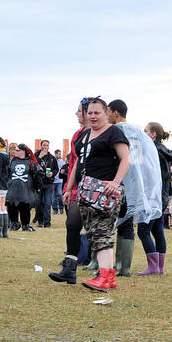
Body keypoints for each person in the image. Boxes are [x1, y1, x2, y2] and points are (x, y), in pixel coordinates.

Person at [63, 97, 129, 292]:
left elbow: (126, 159)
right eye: (89, 113)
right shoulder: (84, 136)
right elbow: (77, 162)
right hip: (87, 193)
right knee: (95, 233)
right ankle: (108, 277)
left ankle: (105, 277)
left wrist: (116, 182)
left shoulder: (113, 132)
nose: (92, 116)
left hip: (106, 192)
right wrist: (69, 188)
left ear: (106, 113)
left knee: (101, 233)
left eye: (96, 113)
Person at [107, 99, 162, 277]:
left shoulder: (118, 130)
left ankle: (119, 265)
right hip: (139, 181)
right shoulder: (138, 131)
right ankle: (125, 267)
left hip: (123, 179)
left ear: (115, 113)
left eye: (108, 111)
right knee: (130, 224)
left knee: (122, 221)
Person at [48, 100, 91, 285]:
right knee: (72, 224)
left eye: (79, 111)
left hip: (96, 187)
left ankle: (103, 269)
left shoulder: (103, 132)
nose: (76, 114)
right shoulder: (77, 134)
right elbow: (74, 163)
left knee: (97, 229)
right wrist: (69, 188)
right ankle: (69, 268)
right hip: (77, 187)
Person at [137, 122, 172, 275]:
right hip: (162, 195)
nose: (143, 133)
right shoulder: (165, 151)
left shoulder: (153, 151)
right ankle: (159, 267)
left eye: (146, 131)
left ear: (153, 134)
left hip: (152, 195)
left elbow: (149, 174)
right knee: (158, 230)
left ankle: (153, 267)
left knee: (143, 230)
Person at [5, 142, 39, 231]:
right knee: (11, 206)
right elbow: (7, 173)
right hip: (12, 188)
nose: (15, 151)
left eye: (17, 150)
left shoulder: (31, 162)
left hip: (26, 189)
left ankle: (25, 224)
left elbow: (37, 175)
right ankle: (14, 223)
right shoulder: (12, 161)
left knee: (25, 208)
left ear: (23, 151)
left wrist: (37, 188)